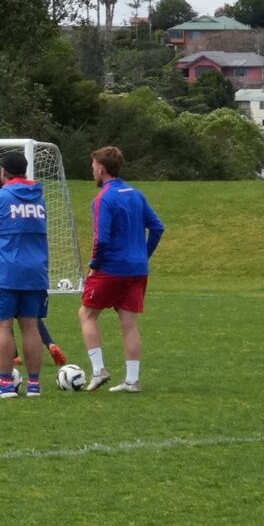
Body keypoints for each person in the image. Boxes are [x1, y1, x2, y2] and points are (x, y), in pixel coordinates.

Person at [78, 145, 164, 393]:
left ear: (101, 169)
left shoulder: (104, 198)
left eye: (93, 167)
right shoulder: (136, 194)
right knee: (129, 323)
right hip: (137, 270)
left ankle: (99, 370)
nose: (92, 171)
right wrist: (142, 255)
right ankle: (132, 380)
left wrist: (94, 265)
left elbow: (101, 239)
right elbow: (157, 228)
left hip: (112, 268)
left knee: (87, 315)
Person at [0, 151, 49, 398]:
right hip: (35, 271)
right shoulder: (39, 198)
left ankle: (5, 383)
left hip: (5, 271)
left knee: (2, 326)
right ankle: (34, 385)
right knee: (30, 327)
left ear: (3, 172)